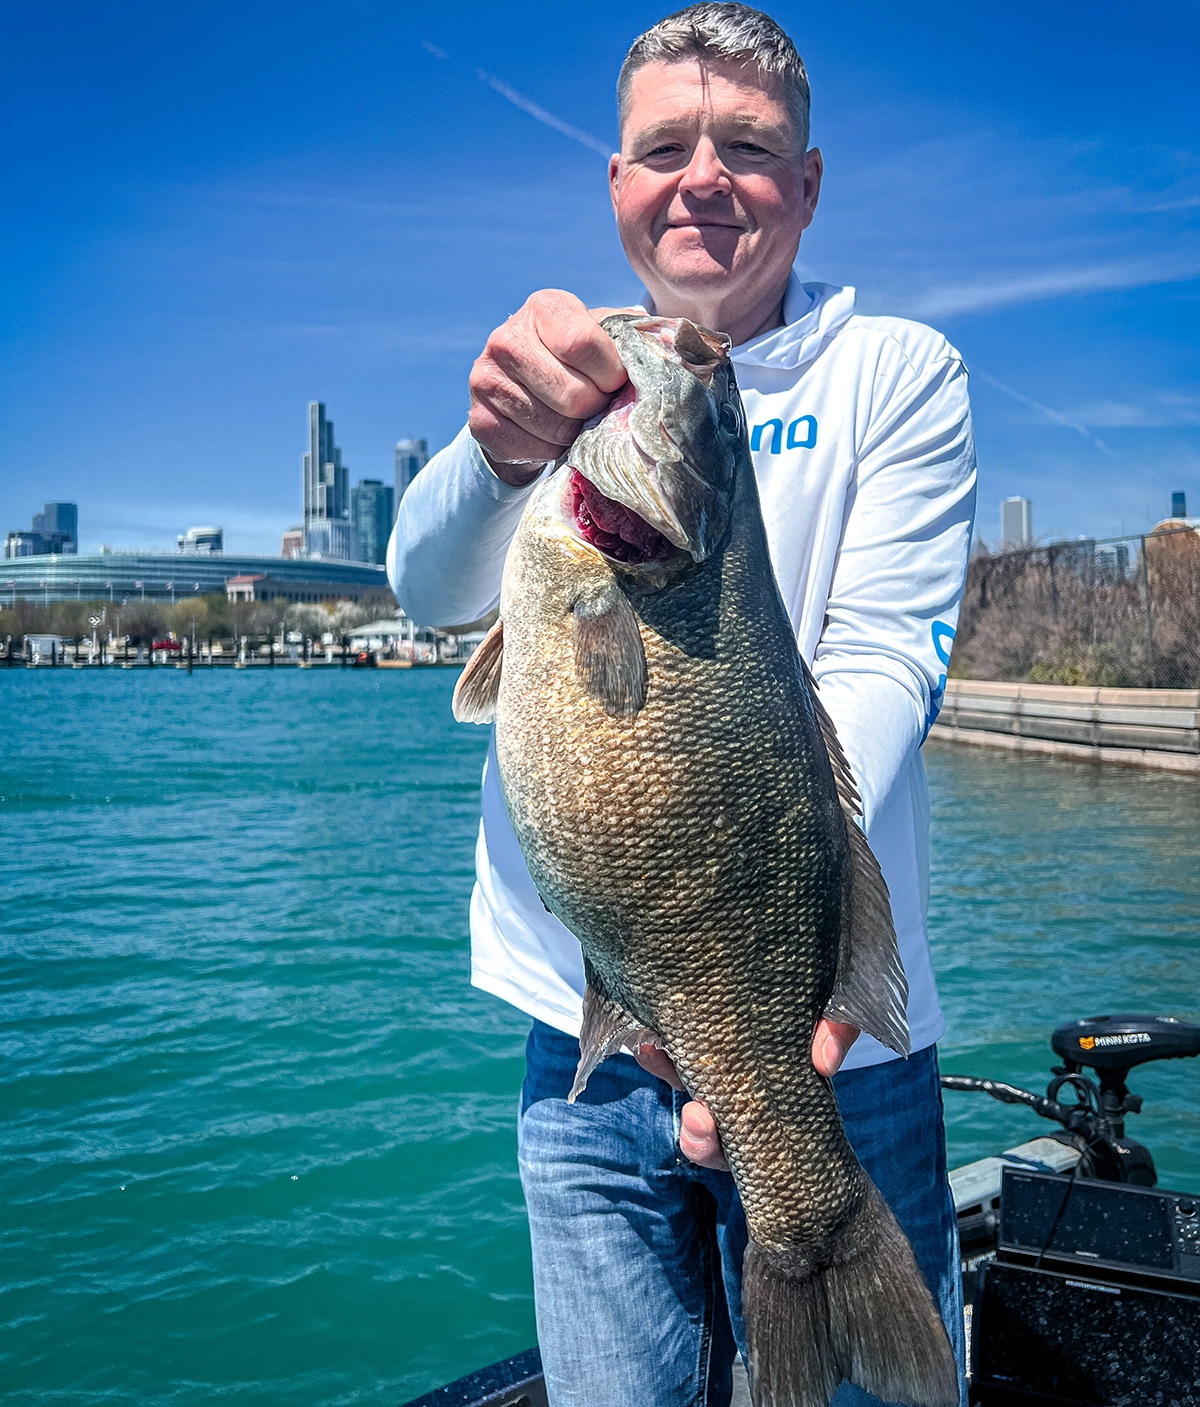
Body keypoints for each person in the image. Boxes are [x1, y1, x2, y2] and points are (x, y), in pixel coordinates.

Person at [389, 5, 976, 1404]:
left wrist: (784, 1005)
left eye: (750, 146)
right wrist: (492, 448)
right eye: (666, 144)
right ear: (617, 183)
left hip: (829, 1035)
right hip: (577, 1030)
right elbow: (425, 588)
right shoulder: (562, 380)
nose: (704, 174)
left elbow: (890, 660)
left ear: (810, 183)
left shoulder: (896, 370)